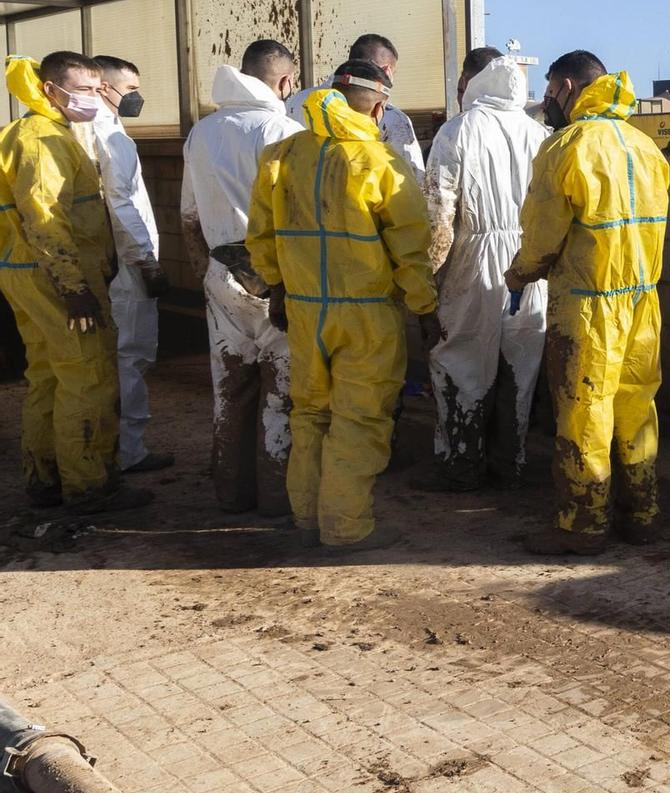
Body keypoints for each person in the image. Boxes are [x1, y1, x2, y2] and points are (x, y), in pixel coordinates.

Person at [249, 59, 437, 551]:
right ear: (377, 107)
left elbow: (260, 236)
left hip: (305, 310)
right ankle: (346, 528)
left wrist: (277, 289)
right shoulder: (379, 161)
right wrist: (424, 307)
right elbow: (410, 246)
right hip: (367, 315)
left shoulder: (281, 155)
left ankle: (307, 518)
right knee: (360, 418)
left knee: (311, 413)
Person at [505, 51, 669, 554]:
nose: (547, 100)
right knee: (637, 406)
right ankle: (642, 515)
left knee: (584, 411)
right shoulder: (645, 146)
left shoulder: (566, 147)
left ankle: (583, 525)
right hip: (642, 301)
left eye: (550, 88)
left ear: (568, 87)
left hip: (588, 306)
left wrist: (519, 273)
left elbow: (542, 235)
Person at [0, 53, 147, 513]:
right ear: (50, 89)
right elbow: (45, 219)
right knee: (87, 376)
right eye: (82, 90)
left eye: (96, 89)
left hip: (28, 271)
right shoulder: (42, 140)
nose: (92, 99)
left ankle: (45, 479)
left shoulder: (42, 133)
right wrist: (74, 288)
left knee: (48, 374)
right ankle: (89, 486)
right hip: (56, 277)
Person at [182, 39, 303, 515]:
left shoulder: (202, 132)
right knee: (281, 388)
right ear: (285, 81)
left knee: (229, 387)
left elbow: (189, 217)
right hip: (273, 274)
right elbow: (296, 215)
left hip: (219, 270)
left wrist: (207, 276)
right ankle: (276, 498)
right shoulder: (282, 130)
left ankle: (231, 493)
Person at [423, 46, 548, 490]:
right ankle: (511, 463)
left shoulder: (457, 131)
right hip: (528, 264)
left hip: (471, 259)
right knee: (521, 364)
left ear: (468, 81)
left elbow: (439, 217)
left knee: (461, 362)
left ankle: (461, 466)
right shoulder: (541, 134)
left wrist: (428, 282)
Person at [86, 56, 174, 474]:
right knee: (131, 356)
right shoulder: (111, 136)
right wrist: (146, 262)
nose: (137, 96)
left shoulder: (92, 130)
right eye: (131, 88)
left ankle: (102, 447)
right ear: (104, 87)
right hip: (128, 267)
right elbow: (121, 203)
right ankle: (129, 451)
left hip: (108, 261)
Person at [288, 34, 425, 173]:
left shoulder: (297, 101)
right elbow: (412, 175)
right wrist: (384, 91)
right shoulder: (392, 119)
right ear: (386, 71)